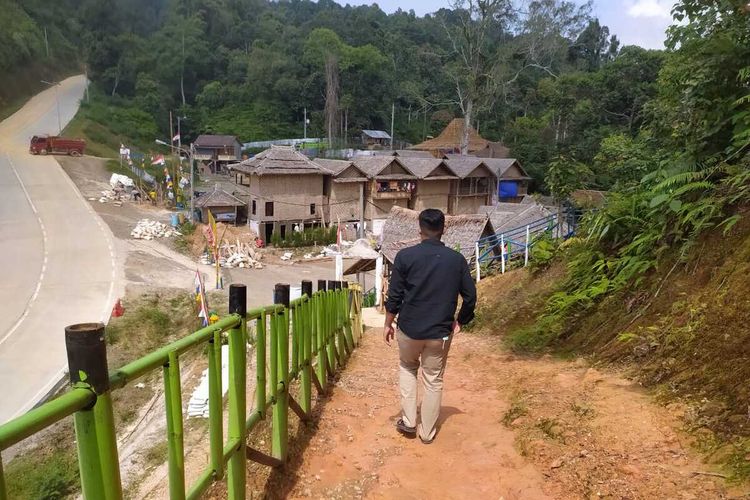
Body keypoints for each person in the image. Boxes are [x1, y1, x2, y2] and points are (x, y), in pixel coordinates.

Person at [383, 208, 477, 444]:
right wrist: (461, 320)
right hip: (439, 332)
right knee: (433, 379)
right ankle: (427, 433)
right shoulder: (456, 260)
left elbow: (394, 296)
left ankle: (409, 422)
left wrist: (388, 323)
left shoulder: (404, 257)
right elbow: (470, 296)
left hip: (409, 329)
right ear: (443, 230)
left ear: (420, 229)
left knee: (407, 368)